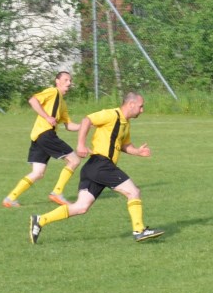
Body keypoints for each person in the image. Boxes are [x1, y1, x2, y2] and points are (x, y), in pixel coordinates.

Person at [28, 92, 163, 244]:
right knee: (134, 191)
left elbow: (124, 145)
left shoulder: (126, 123)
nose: (142, 110)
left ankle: (40, 220)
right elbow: (87, 120)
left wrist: (137, 151)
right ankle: (139, 230)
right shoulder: (111, 114)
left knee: (81, 207)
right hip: (101, 164)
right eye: (140, 106)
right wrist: (80, 144)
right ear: (131, 104)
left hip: (93, 167)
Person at [3, 71, 82, 208]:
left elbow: (69, 125)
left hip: (39, 136)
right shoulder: (53, 91)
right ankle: (57, 193)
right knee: (74, 160)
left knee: (38, 173)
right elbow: (33, 100)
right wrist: (47, 117)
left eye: (70, 80)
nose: (69, 83)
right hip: (46, 134)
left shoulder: (62, 103)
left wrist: (86, 125)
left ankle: (10, 199)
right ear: (57, 81)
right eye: (66, 80)